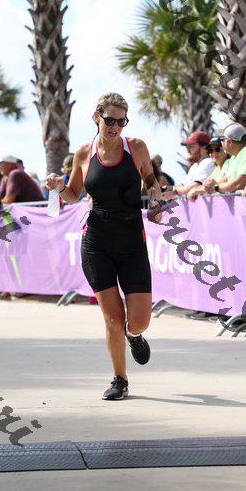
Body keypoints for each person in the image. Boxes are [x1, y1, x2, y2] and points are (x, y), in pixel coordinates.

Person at [45, 92, 164, 401]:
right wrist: (58, 186)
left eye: (121, 122)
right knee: (112, 317)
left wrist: (156, 201)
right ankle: (120, 379)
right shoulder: (84, 154)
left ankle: (134, 335)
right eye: (110, 120)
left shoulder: (136, 148)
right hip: (97, 241)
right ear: (96, 117)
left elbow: (152, 181)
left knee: (139, 319)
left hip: (131, 240)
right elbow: (73, 194)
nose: (115, 127)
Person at [199, 124, 246, 195]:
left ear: (229, 142)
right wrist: (210, 185)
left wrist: (216, 188)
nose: (221, 142)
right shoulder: (234, 157)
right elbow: (225, 179)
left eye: (222, 139)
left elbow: (240, 183)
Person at [166, 131, 214, 198]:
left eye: (191, 146)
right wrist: (166, 189)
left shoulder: (208, 162)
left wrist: (173, 191)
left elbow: (191, 188)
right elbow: (183, 186)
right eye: (187, 147)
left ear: (204, 148)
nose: (187, 150)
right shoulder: (195, 166)